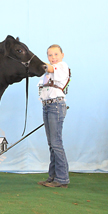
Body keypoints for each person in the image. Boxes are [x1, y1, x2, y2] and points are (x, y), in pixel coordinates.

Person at [37, 44, 70, 188]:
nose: (53, 57)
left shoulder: (62, 66)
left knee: (56, 143)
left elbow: (49, 67)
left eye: (56, 54)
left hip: (56, 106)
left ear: (62, 55)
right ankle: (53, 176)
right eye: (50, 55)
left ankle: (62, 179)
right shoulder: (47, 75)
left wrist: (33, 60)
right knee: (52, 144)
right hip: (48, 106)